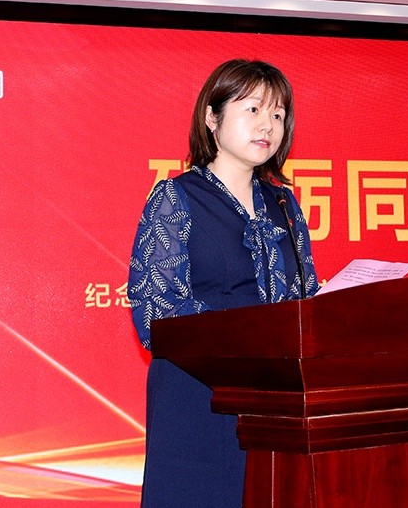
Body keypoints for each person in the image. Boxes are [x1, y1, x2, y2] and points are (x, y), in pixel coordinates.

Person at [127, 59, 319, 508]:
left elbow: (304, 297)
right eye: (253, 110)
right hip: (199, 401)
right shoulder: (178, 198)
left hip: (274, 404)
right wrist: (248, 333)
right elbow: (156, 313)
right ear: (212, 118)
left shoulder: (284, 205)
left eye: (278, 114)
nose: (268, 125)